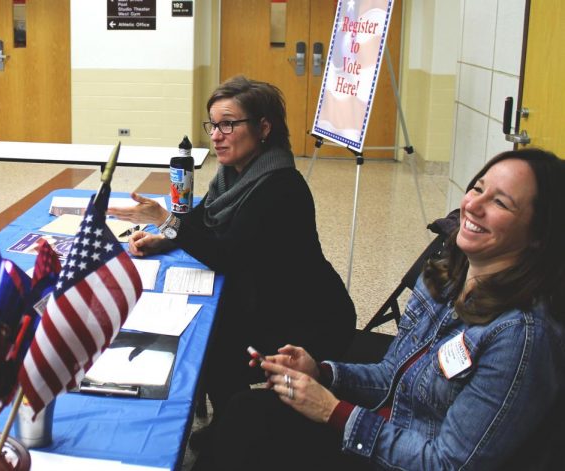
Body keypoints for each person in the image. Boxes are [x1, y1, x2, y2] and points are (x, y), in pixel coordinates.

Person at [201, 148, 565, 470]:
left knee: (249, 429)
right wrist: (323, 373)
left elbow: (449, 462)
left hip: (408, 456)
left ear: (538, 235)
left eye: (500, 203)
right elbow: (393, 375)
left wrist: (333, 412)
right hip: (387, 427)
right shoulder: (445, 278)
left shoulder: (520, 336)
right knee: (246, 412)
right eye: (478, 188)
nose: (473, 205)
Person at [108, 76, 356, 447]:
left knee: (210, 339)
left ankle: (232, 430)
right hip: (264, 294)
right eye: (213, 125)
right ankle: (228, 418)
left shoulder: (279, 186)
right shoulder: (233, 175)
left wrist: (167, 220)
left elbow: (226, 255)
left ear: (263, 128)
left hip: (307, 317)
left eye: (228, 124)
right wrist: (165, 238)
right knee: (207, 330)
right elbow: (202, 218)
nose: (216, 135)